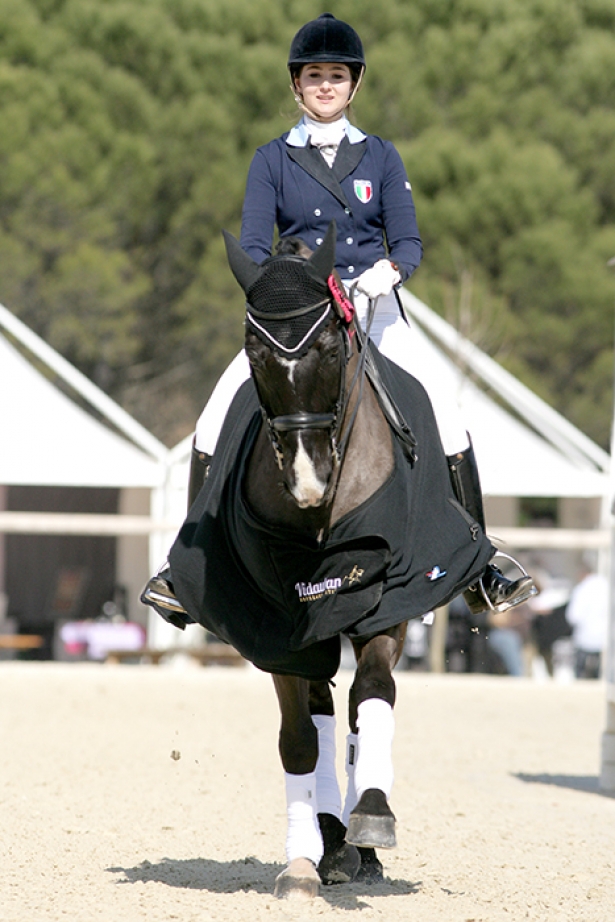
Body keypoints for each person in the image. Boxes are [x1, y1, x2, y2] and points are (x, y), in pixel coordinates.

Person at [143, 12, 536, 624]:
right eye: (314, 76)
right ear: (296, 86)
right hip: (298, 318)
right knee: (211, 420)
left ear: (353, 85)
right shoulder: (271, 159)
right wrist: (284, 282)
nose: (325, 85)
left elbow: (408, 244)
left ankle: (479, 566)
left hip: (375, 317)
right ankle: (188, 570)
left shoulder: (380, 155)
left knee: (451, 420)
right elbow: (251, 245)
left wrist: (384, 274)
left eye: (336, 75)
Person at [566, 565, 609, 679]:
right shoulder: (607, 586)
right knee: (601, 672)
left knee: (580, 670)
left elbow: (573, 616)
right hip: (604, 636)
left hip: (584, 636)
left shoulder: (581, 589)